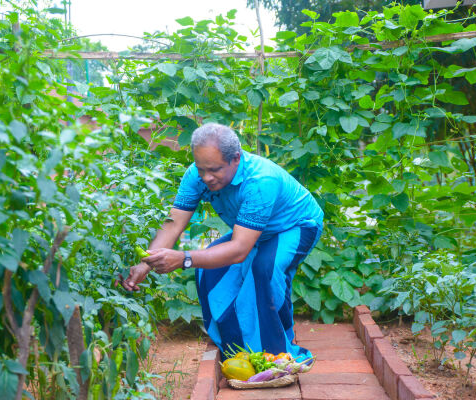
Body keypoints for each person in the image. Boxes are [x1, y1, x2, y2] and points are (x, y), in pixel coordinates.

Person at [120, 122, 323, 363]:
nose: (206, 177)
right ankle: (238, 350)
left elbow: (238, 250)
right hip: (253, 232)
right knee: (210, 270)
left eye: (214, 169)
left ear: (235, 158)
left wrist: (184, 258)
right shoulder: (197, 175)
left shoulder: (260, 180)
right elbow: (174, 223)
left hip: (296, 225)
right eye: (201, 169)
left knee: (265, 271)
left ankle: (278, 356)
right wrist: (146, 263)